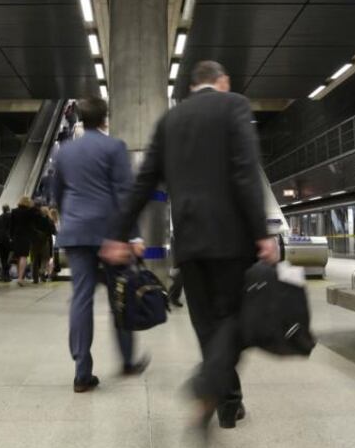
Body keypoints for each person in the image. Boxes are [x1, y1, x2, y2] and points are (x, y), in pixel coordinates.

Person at [102, 60, 278, 428]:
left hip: (190, 240)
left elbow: (144, 181)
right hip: (232, 240)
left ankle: (227, 399)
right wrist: (262, 233)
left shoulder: (170, 120)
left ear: (193, 85)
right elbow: (245, 172)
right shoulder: (235, 106)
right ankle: (213, 389)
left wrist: (118, 233)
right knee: (233, 319)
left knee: (207, 324)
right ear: (222, 80)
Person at [52, 96, 148, 393]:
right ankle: (128, 361)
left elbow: (57, 193)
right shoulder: (114, 147)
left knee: (81, 299)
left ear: (80, 117)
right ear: (105, 119)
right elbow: (125, 194)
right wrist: (132, 236)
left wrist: (69, 219)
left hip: (76, 233)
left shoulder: (64, 152)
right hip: (111, 235)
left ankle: (82, 372)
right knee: (121, 296)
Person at [10, 196, 37, 287]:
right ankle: (21, 278)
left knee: (18, 256)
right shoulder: (29, 212)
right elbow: (33, 222)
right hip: (26, 236)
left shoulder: (14, 211)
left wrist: (11, 236)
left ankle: (19, 277)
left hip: (16, 236)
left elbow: (12, 225)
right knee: (24, 256)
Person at [29, 206, 55, 285]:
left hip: (34, 242)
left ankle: (35, 278)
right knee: (45, 258)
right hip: (45, 241)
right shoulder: (49, 220)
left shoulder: (34, 220)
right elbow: (53, 231)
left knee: (34, 259)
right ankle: (42, 272)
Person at [0, 204, 13, 281]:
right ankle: (6, 274)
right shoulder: (11, 216)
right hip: (9, 239)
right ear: (8, 209)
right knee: (9, 257)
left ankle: (4, 275)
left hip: (0, 240)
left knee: (3, 258)